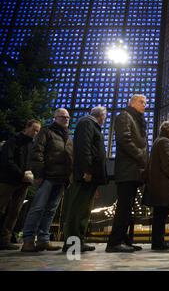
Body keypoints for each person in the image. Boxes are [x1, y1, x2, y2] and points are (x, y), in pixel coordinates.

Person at [21, 109, 73, 252]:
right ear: (55, 118)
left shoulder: (68, 136)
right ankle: (28, 240)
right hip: (47, 177)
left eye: (68, 117)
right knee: (37, 208)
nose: (66, 119)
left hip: (61, 178)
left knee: (51, 210)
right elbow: (37, 152)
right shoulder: (46, 132)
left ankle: (43, 239)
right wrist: (38, 174)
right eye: (63, 117)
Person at [62, 106, 108, 253]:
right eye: (105, 118)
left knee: (84, 210)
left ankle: (78, 241)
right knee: (77, 209)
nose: (105, 121)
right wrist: (87, 170)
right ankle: (72, 243)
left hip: (91, 175)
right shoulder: (86, 123)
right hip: (85, 174)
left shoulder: (90, 124)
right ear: (101, 116)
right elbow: (84, 148)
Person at [106, 95, 147, 253]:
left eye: (145, 103)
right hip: (127, 169)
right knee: (123, 208)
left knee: (129, 208)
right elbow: (124, 139)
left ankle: (126, 241)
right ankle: (114, 242)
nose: (144, 105)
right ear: (131, 103)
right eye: (141, 102)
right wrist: (140, 155)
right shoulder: (124, 116)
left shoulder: (137, 119)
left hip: (135, 169)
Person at [0, 120, 41, 250]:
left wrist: (31, 175)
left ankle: (4, 239)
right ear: (27, 127)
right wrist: (21, 174)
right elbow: (7, 161)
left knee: (14, 211)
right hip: (8, 180)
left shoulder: (32, 145)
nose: (36, 133)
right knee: (1, 208)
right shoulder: (13, 141)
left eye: (38, 131)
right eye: (34, 129)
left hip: (23, 183)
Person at [142, 121, 169, 250]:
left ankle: (158, 241)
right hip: (163, 185)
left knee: (160, 215)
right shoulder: (164, 142)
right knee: (161, 215)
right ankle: (158, 242)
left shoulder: (158, 141)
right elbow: (168, 163)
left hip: (159, 185)